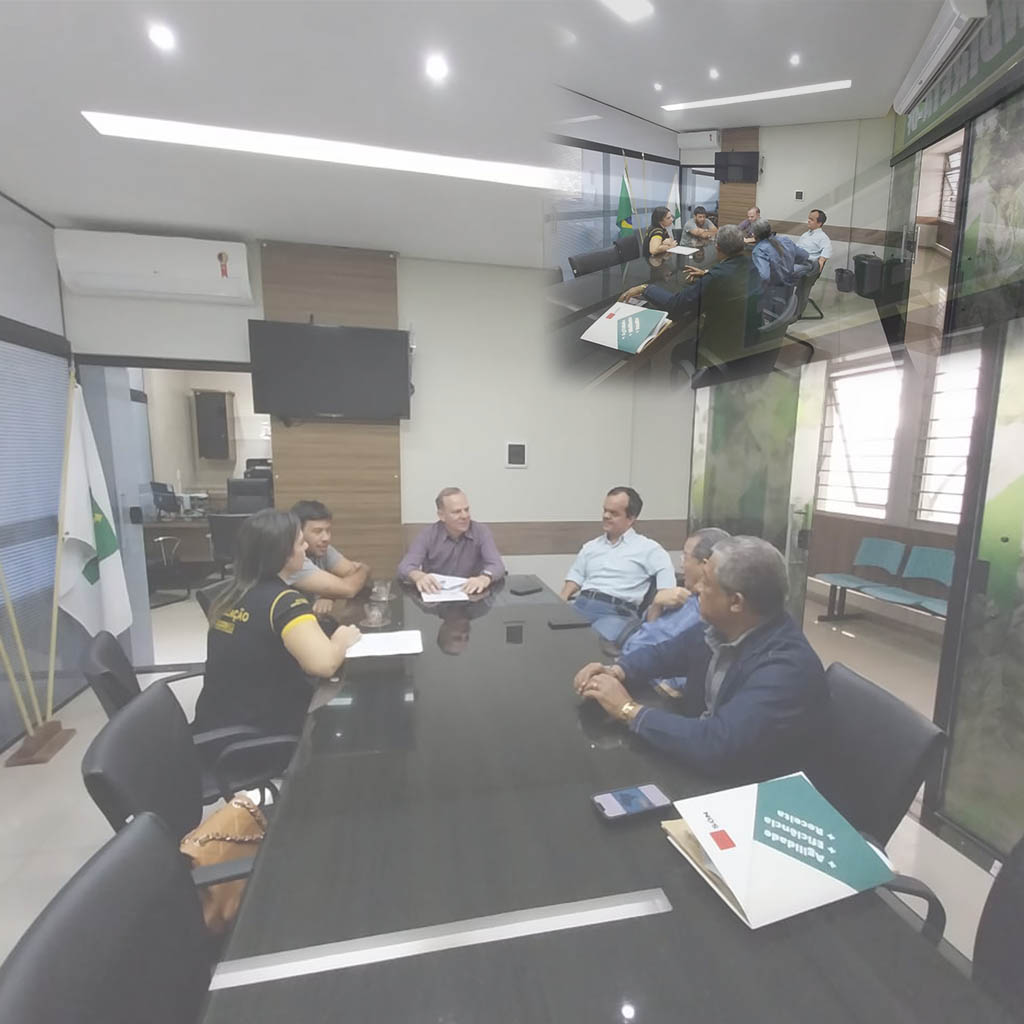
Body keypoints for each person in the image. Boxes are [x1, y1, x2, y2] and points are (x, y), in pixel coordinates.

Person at [573, 536, 827, 780]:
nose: (695, 588)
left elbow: (717, 744)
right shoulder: (722, 628)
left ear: (736, 602)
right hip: (705, 761)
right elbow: (665, 654)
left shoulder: (785, 668)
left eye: (706, 583)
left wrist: (628, 709)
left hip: (750, 787)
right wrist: (618, 671)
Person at [195, 509, 361, 735]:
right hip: (258, 733)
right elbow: (324, 664)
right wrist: (342, 638)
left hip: (215, 723)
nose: (305, 548)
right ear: (283, 554)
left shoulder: (229, 595)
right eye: (300, 543)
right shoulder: (285, 602)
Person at [619, 225, 762, 361]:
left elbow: (675, 304)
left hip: (723, 343)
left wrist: (645, 288)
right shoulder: (752, 264)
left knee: (678, 351)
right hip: (749, 333)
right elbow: (733, 274)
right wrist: (707, 273)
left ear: (717, 247)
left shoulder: (715, 278)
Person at [620, 527, 731, 697]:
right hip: (628, 667)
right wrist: (656, 604)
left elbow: (698, 672)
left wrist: (664, 685)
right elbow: (646, 635)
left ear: (705, 565)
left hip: (648, 686)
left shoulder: (711, 614)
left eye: (685, 556)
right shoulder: (679, 597)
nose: (681, 564)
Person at [560, 487, 681, 643]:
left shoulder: (651, 550)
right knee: (550, 634)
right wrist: (559, 604)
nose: (606, 516)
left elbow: (667, 592)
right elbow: (575, 577)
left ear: (631, 518)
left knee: (589, 644)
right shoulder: (590, 546)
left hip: (616, 613)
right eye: (605, 510)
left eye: (613, 513)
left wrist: (650, 631)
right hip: (581, 604)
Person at [398, 487, 505, 595]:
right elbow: (405, 566)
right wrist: (419, 576)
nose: (465, 516)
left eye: (466, 509)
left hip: (472, 596)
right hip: (437, 596)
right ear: (442, 516)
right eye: (457, 512)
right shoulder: (427, 535)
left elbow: (497, 565)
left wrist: (484, 578)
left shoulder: (481, 531)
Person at [287, 500, 370, 616]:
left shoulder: (322, 548)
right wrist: (364, 569)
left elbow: (352, 573)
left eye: (328, 530)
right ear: (298, 533)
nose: (326, 538)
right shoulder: (292, 560)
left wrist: (329, 595)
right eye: (318, 531)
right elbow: (349, 588)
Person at [750, 219, 813, 315]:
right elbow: (804, 255)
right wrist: (788, 261)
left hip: (773, 289)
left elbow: (764, 277)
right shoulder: (785, 240)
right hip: (789, 285)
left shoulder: (759, 250)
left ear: (754, 235)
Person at [644, 206, 677, 283]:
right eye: (668, 218)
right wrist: (669, 247)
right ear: (660, 220)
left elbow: (669, 240)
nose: (672, 219)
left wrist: (663, 243)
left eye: (671, 217)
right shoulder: (657, 232)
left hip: (657, 261)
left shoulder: (661, 228)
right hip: (653, 263)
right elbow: (654, 250)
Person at [797, 208, 832, 273]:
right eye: (809, 218)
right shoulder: (805, 234)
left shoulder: (823, 238)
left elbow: (825, 255)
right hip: (797, 260)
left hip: (807, 264)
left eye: (811, 219)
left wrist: (817, 271)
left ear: (819, 223)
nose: (808, 221)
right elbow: (796, 248)